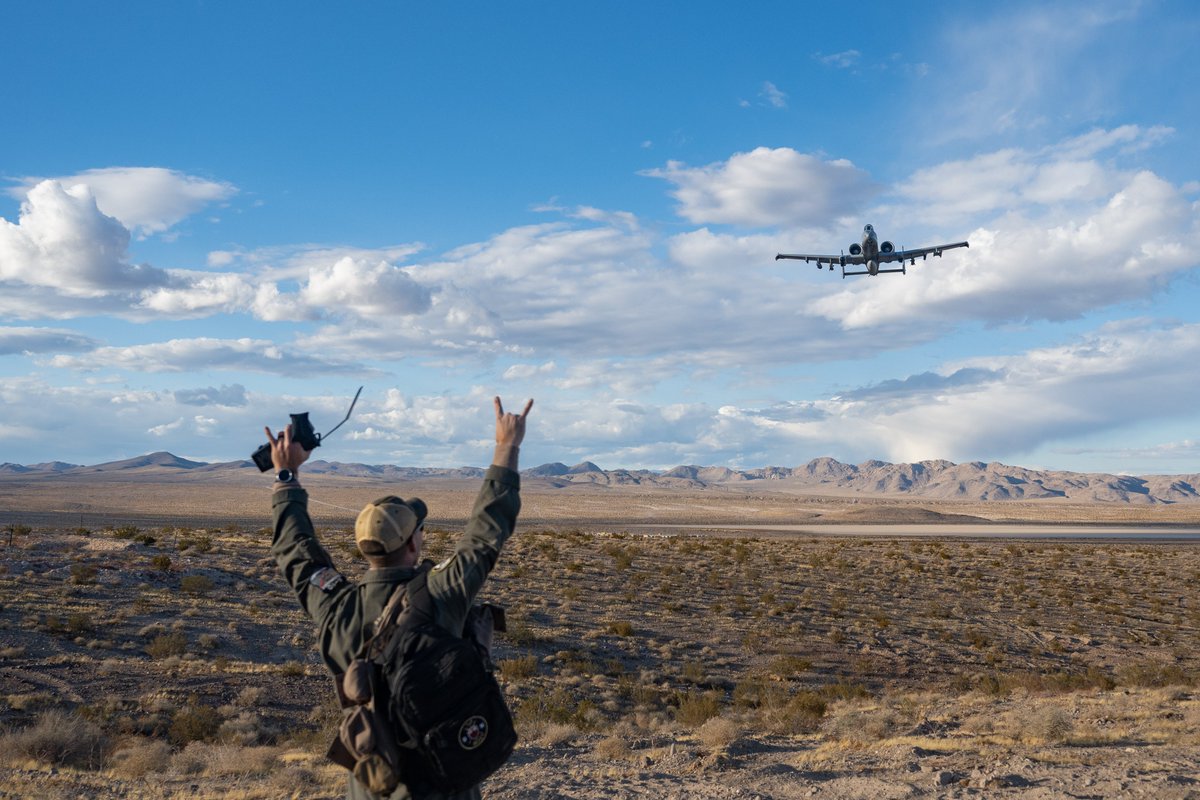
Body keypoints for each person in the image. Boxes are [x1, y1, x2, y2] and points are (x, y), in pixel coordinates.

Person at [264, 396, 533, 800]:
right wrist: (506, 447)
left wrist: (286, 475)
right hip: (444, 785)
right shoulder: (440, 595)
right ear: (412, 544)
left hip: (374, 785)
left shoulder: (336, 607)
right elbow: (484, 534)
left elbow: (296, 552)